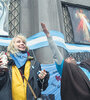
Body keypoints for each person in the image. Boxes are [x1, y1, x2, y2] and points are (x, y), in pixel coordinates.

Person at [41, 23, 90, 100]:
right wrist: (49, 37)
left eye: (70, 57)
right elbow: (56, 53)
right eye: (67, 58)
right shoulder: (66, 70)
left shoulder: (85, 65)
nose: (70, 57)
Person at [0, 34, 49, 100]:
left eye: (24, 42)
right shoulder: (6, 62)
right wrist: (1, 72)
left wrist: (42, 79)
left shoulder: (34, 64)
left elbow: (42, 87)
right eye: (18, 42)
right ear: (12, 45)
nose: (22, 43)